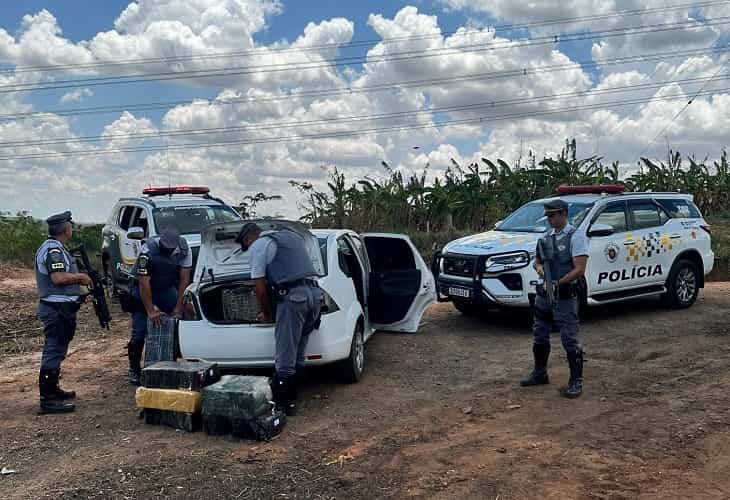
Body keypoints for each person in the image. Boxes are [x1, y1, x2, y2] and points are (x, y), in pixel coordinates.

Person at [236, 223, 321, 416]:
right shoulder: (292, 237)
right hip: (314, 295)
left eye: (246, 245)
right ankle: (295, 396)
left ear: (249, 239)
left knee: (285, 354)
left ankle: (284, 404)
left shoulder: (259, 245)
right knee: (299, 351)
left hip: (294, 299)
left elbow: (259, 287)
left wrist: (267, 314)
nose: (249, 249)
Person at [520, 199, 589, 398]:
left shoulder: (575, 237)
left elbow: (579, 269)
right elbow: (537, 262)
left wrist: (558, 282)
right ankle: (540, 373)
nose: (549, 219)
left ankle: (576, 380)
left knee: (569, 337)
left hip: (565, 294)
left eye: (553, 215)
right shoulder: (546, 237)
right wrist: (542, 271)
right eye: (548, 216)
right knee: (540, 333)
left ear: (563, 214)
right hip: (545, 293)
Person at [35, 211, 92, 414]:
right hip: (55, 310)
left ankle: (53, 390)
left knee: (58, 350)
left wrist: (81, 295)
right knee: (53, 350)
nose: (72, 229)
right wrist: (81, 278)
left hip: (62, 309)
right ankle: (48, 399)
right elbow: (58, 278)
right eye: (70, 226)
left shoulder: (57, 248)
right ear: (65, 229)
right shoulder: (53, 250)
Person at [126, 228, 192, 385]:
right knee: (140, 331)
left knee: (182, 321)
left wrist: (178, 307)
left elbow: (184, 279)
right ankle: (134, 369)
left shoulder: (184, 249)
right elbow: (143, 282)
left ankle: (173, 361)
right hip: (142, 289)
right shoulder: (147, 249)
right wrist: (151, 310)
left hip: (165, 289)